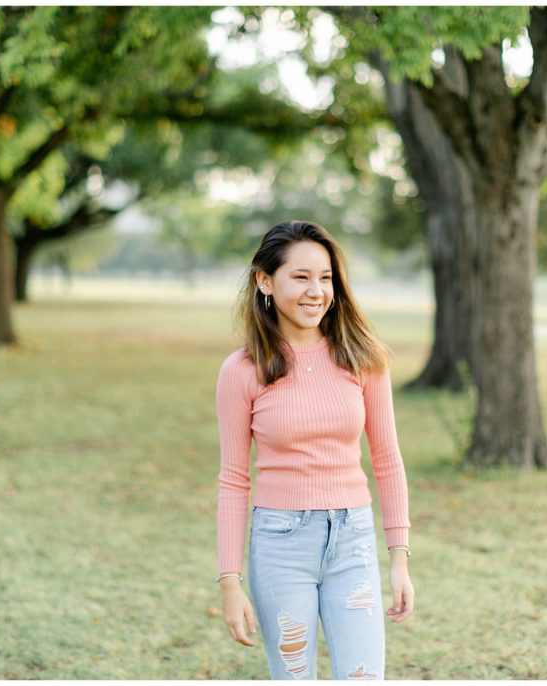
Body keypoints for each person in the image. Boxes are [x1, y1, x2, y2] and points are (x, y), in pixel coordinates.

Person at [215, 220, 414, 680]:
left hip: (354, 543)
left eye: (325, 278)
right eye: (300, 277)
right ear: (265, 281)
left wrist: (399, 557)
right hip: (280, 546)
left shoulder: (363, 357)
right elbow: (233, 478)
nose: (316, 291)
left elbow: (386, 458)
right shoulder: (243, 369)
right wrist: (230, 581)